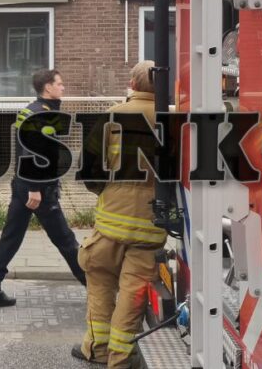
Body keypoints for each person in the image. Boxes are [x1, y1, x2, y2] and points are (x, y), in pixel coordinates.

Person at [72, 60, 167, 368]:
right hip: (150, 229)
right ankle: (120, 358)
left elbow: (90, 171)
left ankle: (97, 349)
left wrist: (108, 194)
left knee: (99, 280)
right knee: (132, 294)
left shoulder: (112, 117)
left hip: (110, 225)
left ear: (133, 85)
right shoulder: (174, 120)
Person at [0, 69, 86, 307]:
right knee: (66, 241)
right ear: (47, 87)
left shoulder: (32, 110)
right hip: (38, 190)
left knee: (11, 237)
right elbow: (31, 152)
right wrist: (35, 188)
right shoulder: (43, 114)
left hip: (23, 185)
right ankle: (94, 286)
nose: (63, 87)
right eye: (59, 83)